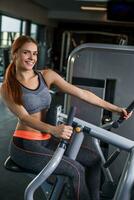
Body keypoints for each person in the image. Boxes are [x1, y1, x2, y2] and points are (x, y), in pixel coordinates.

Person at [0, 35, 131, 200]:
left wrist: (116, 109)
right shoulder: (7, 87)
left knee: (94, 159)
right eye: (26, 53)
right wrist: (54, 130)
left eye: (35, 53)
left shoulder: (46, 75)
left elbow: (82, 94)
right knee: (76, 170)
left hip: (46, 140)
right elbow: (25, 117)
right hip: (25, 145)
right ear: (15, 54)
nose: (32, 58)